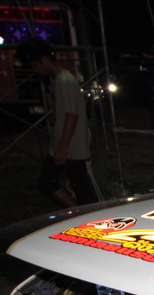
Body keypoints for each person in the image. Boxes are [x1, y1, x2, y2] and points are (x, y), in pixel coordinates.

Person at [16, 39, 98, 208]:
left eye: (35, 66)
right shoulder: (58, 81)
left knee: (76, 188)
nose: (35, 71)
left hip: (71, 148)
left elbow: (71, 115)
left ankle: (84, 214)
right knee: (57, 184)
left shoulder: (65, 81)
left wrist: (62, 147)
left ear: (44, 60)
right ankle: (79, 212)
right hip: (63, 146)